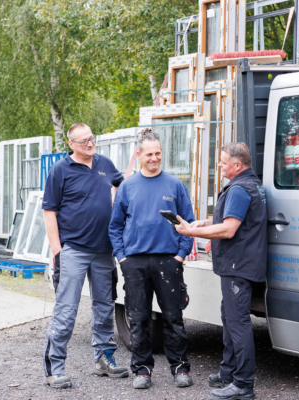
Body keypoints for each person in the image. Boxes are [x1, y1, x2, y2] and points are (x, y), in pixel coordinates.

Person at [175, 142, 267, 400]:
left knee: (238, 325)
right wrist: (207, 221)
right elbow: (237, 219)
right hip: (242, 264)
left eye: (223, 162)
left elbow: (228, 229)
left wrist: (191, 231)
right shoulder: (251, 184)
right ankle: (228, 373)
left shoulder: (239, 189)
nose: (220, 165)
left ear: (237, 166)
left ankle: (243, 385)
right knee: (229, 318)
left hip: (239, 267)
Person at [42, 123, 128, 389]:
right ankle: (55, 367)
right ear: (71, 145)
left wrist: (114, 206)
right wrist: (58, 251)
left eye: (92, 139)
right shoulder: (60, 171)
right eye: (83, 141)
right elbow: (49, 212)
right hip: (74, 251)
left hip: (104, 250)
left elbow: (122, 185)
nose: (90, 144)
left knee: (104, 307)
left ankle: (103, 359)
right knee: (66, 310)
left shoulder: (105, 163)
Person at [109, 129, 195, 390]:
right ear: (139, 155)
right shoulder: (128, 186)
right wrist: (122, 257)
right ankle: (143, 370)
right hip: (135, 263)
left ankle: (180, 368)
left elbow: (188, 222)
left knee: (173, 318)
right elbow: (115, 226)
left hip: (168, 261)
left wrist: (180, 254)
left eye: (158, 153)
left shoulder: (174, 185)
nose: (155, 158)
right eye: (149, 154)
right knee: (139, 318)